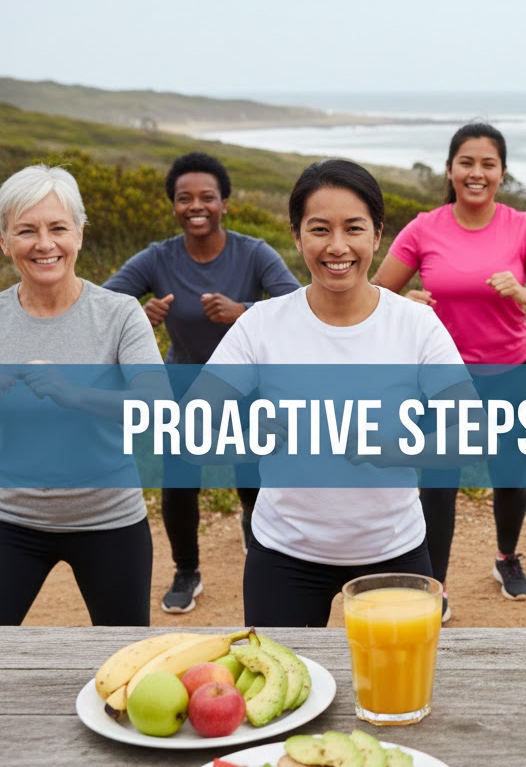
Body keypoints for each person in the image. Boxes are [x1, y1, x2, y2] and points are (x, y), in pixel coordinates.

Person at [194, 158, 467, 626]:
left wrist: (395, 448)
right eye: (319, 229)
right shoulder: (261, 323)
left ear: (377, 235)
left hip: (394, 550)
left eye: (354, 229)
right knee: (281, 693)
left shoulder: (416, 325)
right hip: (284, 553)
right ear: (297, 237)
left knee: (397, 695)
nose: (337, 246)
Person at [373, 122, 526, 613]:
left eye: (488, 164)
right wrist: (408, 299)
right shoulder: (424, 227)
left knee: (510, 475)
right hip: (440, 380)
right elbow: (375, 294)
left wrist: (523, 291)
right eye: (467, 162)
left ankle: (507, 557)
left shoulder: (523, 226)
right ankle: (434, 585)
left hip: (508, 374)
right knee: (439, 485)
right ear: (450, 170)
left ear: (502, 173)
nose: (476, 172)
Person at [104, 152, 300, 614]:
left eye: (207, 197)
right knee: (178, 486)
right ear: (173, 205)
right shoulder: (159, 257)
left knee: (251, 478)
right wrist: (134, 313)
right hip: (183, 387)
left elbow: (297, 303)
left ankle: (262, 549)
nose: (196, 206)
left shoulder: (253, 253)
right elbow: (103, 300)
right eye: (184, 198)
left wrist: (244, 312)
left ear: (225, 203)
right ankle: (186, 571)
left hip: (248, 391)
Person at [0, 165, 163, 625]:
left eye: (58, 228)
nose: (44, 243)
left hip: (110, 519)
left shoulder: (118, 314)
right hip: (11, 521)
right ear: (5, 242)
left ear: (79, 235)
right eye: (26, 230)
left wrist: (70, 393)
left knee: (123, 661)